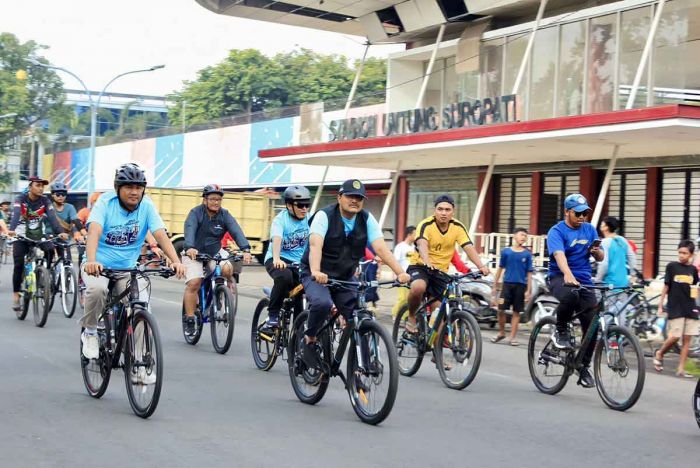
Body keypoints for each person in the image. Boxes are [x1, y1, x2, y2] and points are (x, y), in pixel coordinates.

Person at [81, 163, 185, 376]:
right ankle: (90, 332)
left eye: (139, 187)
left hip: (128, 268)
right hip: (99, 266)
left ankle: (139, 361)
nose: (134, 192)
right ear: (118, 188)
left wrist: (176, 261)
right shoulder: (105, 203)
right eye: (129, 187)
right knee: (97, 291)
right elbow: (94, 232)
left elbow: (160, 233)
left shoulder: (146, 205)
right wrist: (91, 260)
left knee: (140, 308)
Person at [299, 179, 410, 369]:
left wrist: (401, 273)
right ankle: (309, 339)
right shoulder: (324, 216)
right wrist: (316, 271)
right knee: (322, 303)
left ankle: (363, 366)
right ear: (339, 197)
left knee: (359, 315)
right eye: (350, 196)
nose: (355, 201)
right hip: (315, 272)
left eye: (359, 198)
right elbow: (315, 244)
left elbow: (381, 249)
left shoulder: (367, 219)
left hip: (345, 276)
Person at [406, 194, 490, 334]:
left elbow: (468, 246)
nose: (443, 213)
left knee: (440, 312)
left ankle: (435, 351)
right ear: (435, 211)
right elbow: (422, 244)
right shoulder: (426, 224)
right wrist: (427, 261)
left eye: (447, 209)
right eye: (440, 209)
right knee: (418, 287)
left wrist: (481, 266)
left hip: (440, 272)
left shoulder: (457, 227)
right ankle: (411, 316)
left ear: (453, 211)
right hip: (420, 265)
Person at [546, 193, 604, 388]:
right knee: (570, 295)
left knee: (592, 324)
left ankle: (583, 367)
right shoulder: (556, 231)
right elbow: (559, 254)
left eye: (585, 214)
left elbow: (601, 257)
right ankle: (560, 330)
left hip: (585, 279)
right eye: (578, 214)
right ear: (567, 212)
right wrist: (568, 274)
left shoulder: (589, 230)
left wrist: (597, 252)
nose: (582, 217)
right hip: (559, 277)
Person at [182, 183, 252, 335]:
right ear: (204, 200)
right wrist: (189, 247)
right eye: (212, 199)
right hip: (194, 252)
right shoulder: (195, 213)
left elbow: (236, 230)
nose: (215, 202)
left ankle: (221, 291)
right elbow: (190, 229)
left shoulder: (224, 215)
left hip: (214, 251)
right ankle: (189, 318)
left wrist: (245, 249)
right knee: (194, 282)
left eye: (218, 200)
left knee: (227, 268)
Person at [8, 176, 68, 310]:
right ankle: (16, 295)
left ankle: (44, 276)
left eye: (42, 186)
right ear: (30, 187)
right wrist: (11, 230)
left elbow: (52, 218)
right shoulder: (20, 199)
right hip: (21, 235)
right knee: (18, 264)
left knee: (50, 249)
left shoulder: (45, 201)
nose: (41, 188)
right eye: (38, 185)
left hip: (38, 235)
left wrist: (60, 232)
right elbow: (16, 214)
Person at [262, 185, 310, 329]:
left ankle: (298, 328)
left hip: (299, 262)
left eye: (307, 205)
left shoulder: (310, 218)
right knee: (285, 277)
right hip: (278, 259)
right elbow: (277, 238)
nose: (304, 209)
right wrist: (277, 259)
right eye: (300, 205)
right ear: (289, 205)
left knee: (305, 287)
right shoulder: (280, 219)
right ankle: (272, 316)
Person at [653, 240, 700, 378]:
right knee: (675, 336)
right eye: (680, 252)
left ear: (691, 254)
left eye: (685, 253)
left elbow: (696, 288)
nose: (681, 255)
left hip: (691, 307)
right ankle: (660, 353)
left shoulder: (693, 270)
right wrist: (661, 305)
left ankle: (681, 369)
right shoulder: (671, 267)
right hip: (675, 307)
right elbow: (666, 287)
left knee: (687, 339)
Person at [491, 227, 533, 346]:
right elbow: (500, 269)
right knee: (500, 309)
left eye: (525, 236)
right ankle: (502, 332)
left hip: (520, 286)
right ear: (514, 236)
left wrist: (528, 290)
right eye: (521, 235)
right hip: (506, 286)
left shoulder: (527, 254)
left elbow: (529, 273)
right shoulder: (506, 252)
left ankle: (512, 337)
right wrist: (494, 286)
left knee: (516, 312)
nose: (523, 237)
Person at [46, 181, 83, 261]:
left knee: (67, 260)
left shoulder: (70, 207)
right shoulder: (49, 207)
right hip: (50, 236)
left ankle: (67, 272)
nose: (61, 197)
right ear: (52, 195)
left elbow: (75, 221)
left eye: (63, 194)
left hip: (64, 238)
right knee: (49, 255)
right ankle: (46, 271)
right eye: (58, 194)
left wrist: (84, 233)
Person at [596, 216, 637, 288]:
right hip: (623, 283)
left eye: (602, 224)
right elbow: (632, 257)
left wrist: (598, 280)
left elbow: (604, 264)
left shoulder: (604, 242)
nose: (601, 225)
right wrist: (633, 274)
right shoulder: (622, 240)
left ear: (606, 227)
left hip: (609, 284)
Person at [391, 225, 415, 318]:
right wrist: (395, 275)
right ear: (409, 235)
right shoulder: (400, 247)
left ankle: (404, 317)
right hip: (402, 275)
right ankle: (395, 314)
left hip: (411, 277)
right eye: (415, 234)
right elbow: (395, 261)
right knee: (402, 298)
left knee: (409, 298)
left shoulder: (414, 247)